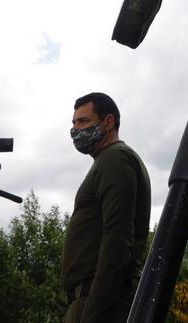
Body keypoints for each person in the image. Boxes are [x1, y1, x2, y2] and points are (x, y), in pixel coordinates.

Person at [61, 92, 151, 323]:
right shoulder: (109, 159)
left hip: (101, 303)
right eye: (73, 123)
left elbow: (117, 239)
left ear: (108, 122)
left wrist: (93, 312)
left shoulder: (115, 159)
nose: (75, 130)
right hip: (94, 299)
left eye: (83, 121)